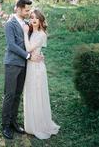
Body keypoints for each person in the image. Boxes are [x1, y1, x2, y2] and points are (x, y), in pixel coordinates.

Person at [2, 0, 43, 139]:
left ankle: (13, 122)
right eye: (26, 10)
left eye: (29, 10)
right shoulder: (10, 24)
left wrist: (38, 53)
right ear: (18, 8)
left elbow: (33, 40)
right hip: (12, 64)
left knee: (18, 94)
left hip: (24, 65)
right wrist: (28, 56)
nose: (28, 13)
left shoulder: (26, 24)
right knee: (9, 95)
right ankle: (5, 125)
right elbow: (11, 45)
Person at [22, 9, 60, 140]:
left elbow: (28, 48)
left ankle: (39, 124)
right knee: (31, 93)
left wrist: (25, 33)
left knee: (37, 94)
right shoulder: (34, 32)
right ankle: (31, 124)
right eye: (31, 17)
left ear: (40, 20)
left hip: (37, 68)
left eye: (36, 18)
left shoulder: (41, 34)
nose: (33, 20)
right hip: (31, 65)